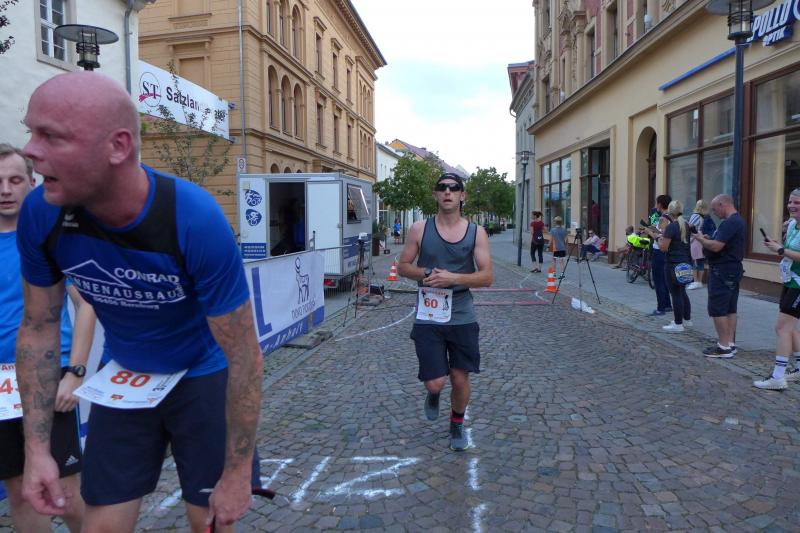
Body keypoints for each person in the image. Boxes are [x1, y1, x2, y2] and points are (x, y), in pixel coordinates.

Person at [17, 71, 263, 532]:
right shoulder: (42, 211)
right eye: (31, 131)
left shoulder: (193, 217)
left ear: (118, 146)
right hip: (126, 371)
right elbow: (38, 328)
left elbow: (244, 356)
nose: (31, 149)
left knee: (210, 523)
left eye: (52, 136)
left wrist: (237, 471)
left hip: (202, 371)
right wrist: (37, 452)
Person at [0, 144, 96, 532]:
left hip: (46, 376)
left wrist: (75, 372)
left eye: (15, 180)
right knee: (22, 493)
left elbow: (86, 304)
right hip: (1, 385)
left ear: (32, 183)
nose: (5, 190)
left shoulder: (50, 238)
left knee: (66, 494)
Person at [397, 172, 492, 451]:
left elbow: (487, 277)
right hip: (429, 311)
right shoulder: (419, 229)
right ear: (436, 195)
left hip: (462, 312)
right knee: (435, 383)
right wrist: (427, 273)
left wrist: (454, 278)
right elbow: (403, 267)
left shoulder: (476, 232)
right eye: (442, 188)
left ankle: (456, 423)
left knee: (460, 378)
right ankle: (434, 394)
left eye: (454, 188)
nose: (447, 192)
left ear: (462, 195)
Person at [753, 190, 800, 390]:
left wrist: (780, 250)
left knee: (782, 328)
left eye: (797, 203)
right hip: (790, 281)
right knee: (790, 327)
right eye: (790, 202)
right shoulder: (792, 224)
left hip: (798, 285)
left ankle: (778, 377)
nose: (791, 206)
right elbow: (789, 251)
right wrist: (776, 244)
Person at [693, 194, 745, 358]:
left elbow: (716, 247)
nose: (714, 213)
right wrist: (710, 238)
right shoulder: (738, 220)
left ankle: (723, 346)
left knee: (718, 309)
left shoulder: (730, 223)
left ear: (723, 204)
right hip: (732, 268)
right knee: (730, 308)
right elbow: (722, 242)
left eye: (715, 209)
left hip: (722, 270)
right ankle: (730, 343)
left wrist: (701, 240)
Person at [656, 200, 693, 332]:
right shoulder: (686, 225)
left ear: (669, 211)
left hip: (672, 263)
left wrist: (656, 237)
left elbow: (663, 248)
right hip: (685, 262)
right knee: (682, 292)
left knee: (676, 293)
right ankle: (687, 320)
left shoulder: (671, 227)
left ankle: (678, 324)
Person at [643, 195, 673, 316]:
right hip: (665, 252)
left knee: (658, 280)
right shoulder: (670, 217)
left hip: (659, 251)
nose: (656, 205)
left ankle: (661, 307)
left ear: (660, 204)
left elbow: (660, 236)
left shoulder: (662, 218)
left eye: (657, 203)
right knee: (664, 280)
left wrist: (649, 232)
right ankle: (667, 305)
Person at [687, 200, 713, 290]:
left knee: (693, 260)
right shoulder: (705, 217)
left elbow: (690, 227)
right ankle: (700, 282)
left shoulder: (695, 215)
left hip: (694, 239)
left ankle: (695, 281)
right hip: (701, 238)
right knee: (700, 261)